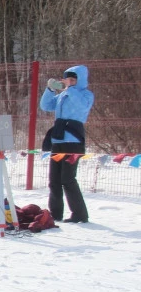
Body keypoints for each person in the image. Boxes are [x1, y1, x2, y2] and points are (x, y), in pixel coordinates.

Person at [40, 65, 93, 223]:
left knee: (67, 179)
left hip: (73, 142)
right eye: (67, 79)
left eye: (73, 79)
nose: (69, 82)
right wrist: (50, 90)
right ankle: (55, 213)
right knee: (54, 179)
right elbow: (46, 106)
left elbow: (82, 106)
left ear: (80, 80)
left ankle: (80, 214)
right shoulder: (63, 95)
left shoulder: (85, 94)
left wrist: (70, 89)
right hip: (58, 140)